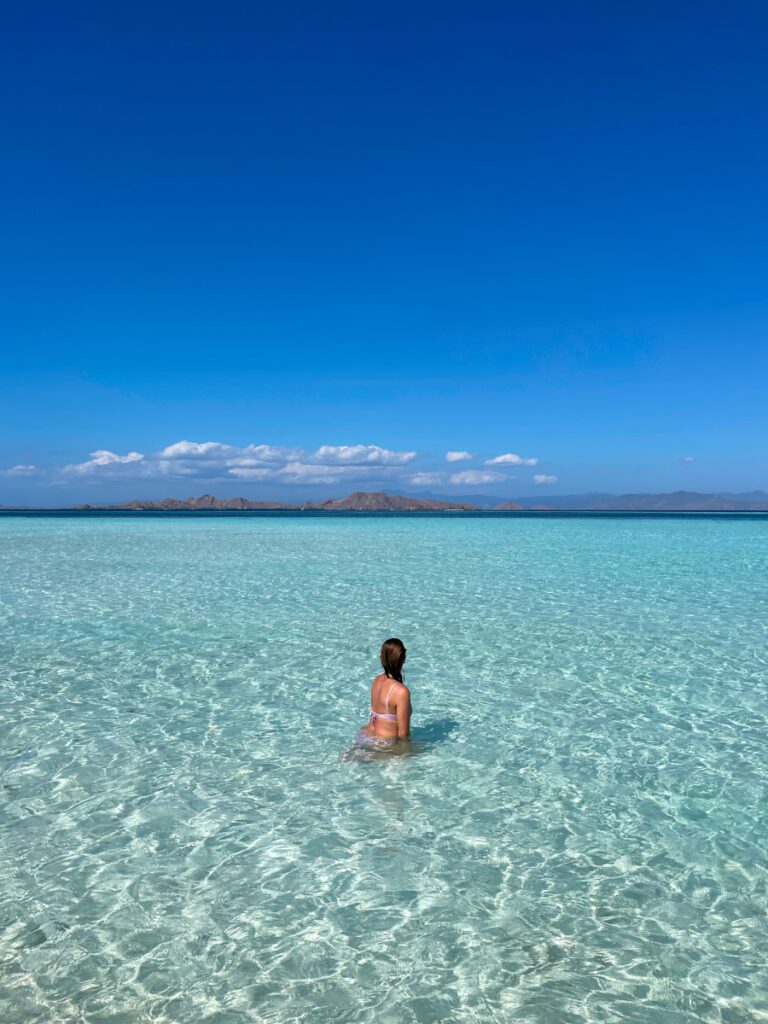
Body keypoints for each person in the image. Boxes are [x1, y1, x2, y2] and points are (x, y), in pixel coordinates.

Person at [357, 637, 412, 746]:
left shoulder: (377, 680)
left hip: (365, 736)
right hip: (384, 745)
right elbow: (403, 735)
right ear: (403, 658)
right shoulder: (401, 691)